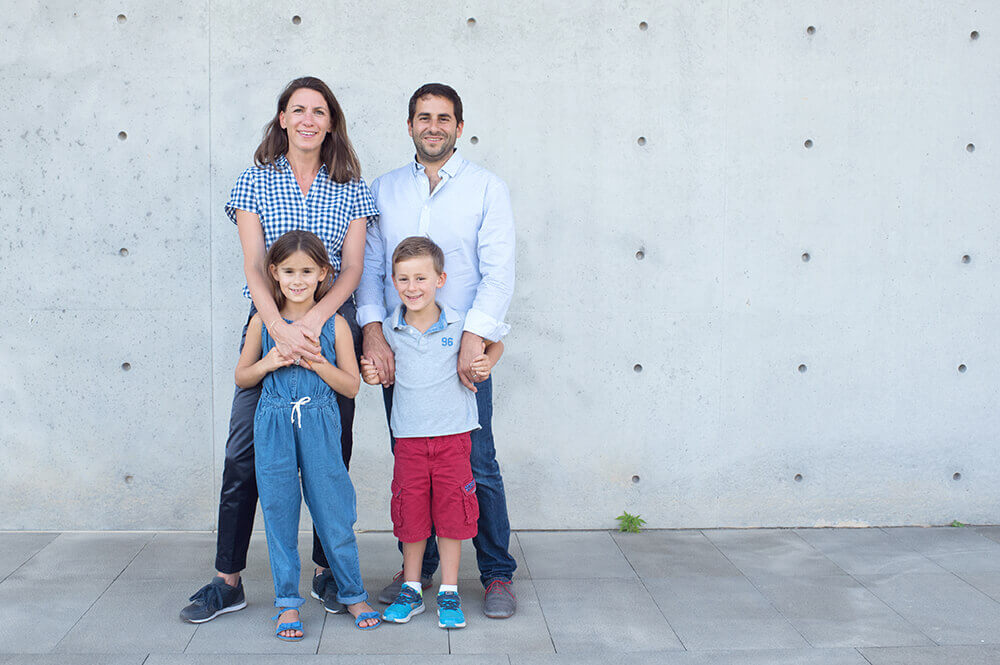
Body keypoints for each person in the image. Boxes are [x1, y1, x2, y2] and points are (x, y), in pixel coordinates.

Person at [180, 76, 379, 624]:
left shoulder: (352, 186)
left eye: (320, 111)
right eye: (299, 110)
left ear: (331, 122)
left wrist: (315, 319)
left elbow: (355, 268)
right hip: (268, 326)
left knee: (329, 460)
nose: (309, 119)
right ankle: (228, 580)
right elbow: (252, 264)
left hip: (329, 327)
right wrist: (278, 327)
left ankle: (327, 574)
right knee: (244, 455)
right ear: (283, 118)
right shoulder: (254, 182)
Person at [356, 83, 518, 618]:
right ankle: (417, 573)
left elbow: (498, 272)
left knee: (477, 463)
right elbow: (371, 269)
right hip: (401, 349)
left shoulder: (487, 189)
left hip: (460, 348)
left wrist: (475, 334)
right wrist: (373, 333)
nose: (433, 126)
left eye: (443, 118)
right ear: (409, 127)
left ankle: (496, 573)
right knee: (414, 464)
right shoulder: (383, 190)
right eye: (423, 117)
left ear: (459, 127)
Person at [236, 230, 379, 638]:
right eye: (288, 271)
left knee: (333, 509)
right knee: (279, 512)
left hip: (318, 421)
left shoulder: (335, 324)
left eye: (306, 271)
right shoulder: (262, 321)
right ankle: (286, 603)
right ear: (274, 274)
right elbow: (242, 376)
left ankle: (352, 592)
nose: (297, 280)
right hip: (274, 422)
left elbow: (351, 386)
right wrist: (269, 362)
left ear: (323, 274)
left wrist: (317, 363)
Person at [361, 237, 503, 629]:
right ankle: (411, 587)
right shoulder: (388, 329)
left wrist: (484, 364)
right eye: (403, 279)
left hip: (454, 439)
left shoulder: (461, 324)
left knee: (453, 513)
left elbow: (496, 345)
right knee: (411, 514)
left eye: (421, 278)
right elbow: (371, 368)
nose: (412, 287)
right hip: (408, 440)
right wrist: (371, 373)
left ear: (440, 279)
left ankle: (449, 592)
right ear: (392, 281)